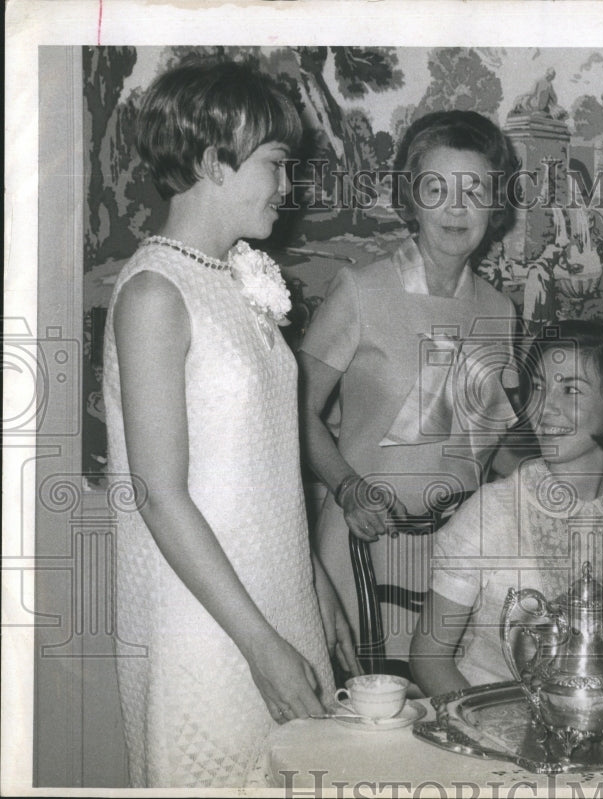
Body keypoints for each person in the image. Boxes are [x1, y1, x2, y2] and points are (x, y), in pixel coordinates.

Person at [102, 61, 358, 788]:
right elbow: (160, 493)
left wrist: (311, 578)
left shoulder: (238, 278)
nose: (288, 186)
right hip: (211, 626)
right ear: (214, 159)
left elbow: (264, 460)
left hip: (276, 597)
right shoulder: (155, 291)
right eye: (275, 163)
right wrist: (258, 642)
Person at [299, 111, 521, 676]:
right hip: (361, 549)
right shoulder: (360, 291)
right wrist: (347, 489)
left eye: (475, 190)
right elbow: (292, 410)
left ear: (496, 206)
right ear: (410, 199)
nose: (456, 207)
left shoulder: (500, 311)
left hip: (457, 561)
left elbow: (499, 446)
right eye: (436, 188)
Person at [410, 321, 603, 695]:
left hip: (601, 720)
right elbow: (429, 659)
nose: (544, 406)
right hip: (492, 720)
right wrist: (485, 732)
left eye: (570, 389)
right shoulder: (493, 512)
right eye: (538, 387)